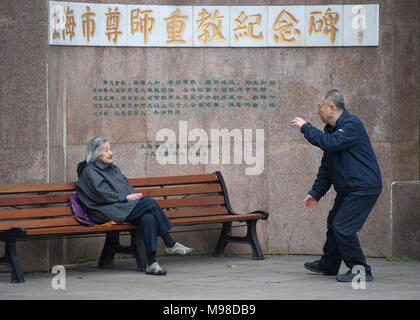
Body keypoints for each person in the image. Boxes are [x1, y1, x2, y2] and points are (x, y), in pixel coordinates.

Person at [289, 89, 382, 282]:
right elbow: (327, 167)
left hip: (363, 188)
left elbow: (330, 143)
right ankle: (329, 265)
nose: (317, 111)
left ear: (332, 107)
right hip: (349, 188)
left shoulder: (351, 125)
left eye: (320, 107)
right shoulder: (330, 130)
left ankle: (361, 270)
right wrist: (315, 193)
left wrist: (306, 127)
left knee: (343, 227)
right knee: (334, 223)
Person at [76, 136, 193, 276]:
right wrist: (125, 198)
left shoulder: (113, 168)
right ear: (95, 153)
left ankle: (151, 263)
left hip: (120, 207)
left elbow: (126, 185)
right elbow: (101, 194)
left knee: (148, 217)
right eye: (106, 150)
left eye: (110, 149)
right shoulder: (90, 171)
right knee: (150, 203)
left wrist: (134, 198)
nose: (110, 153)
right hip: (103, 210)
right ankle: (170, 243)